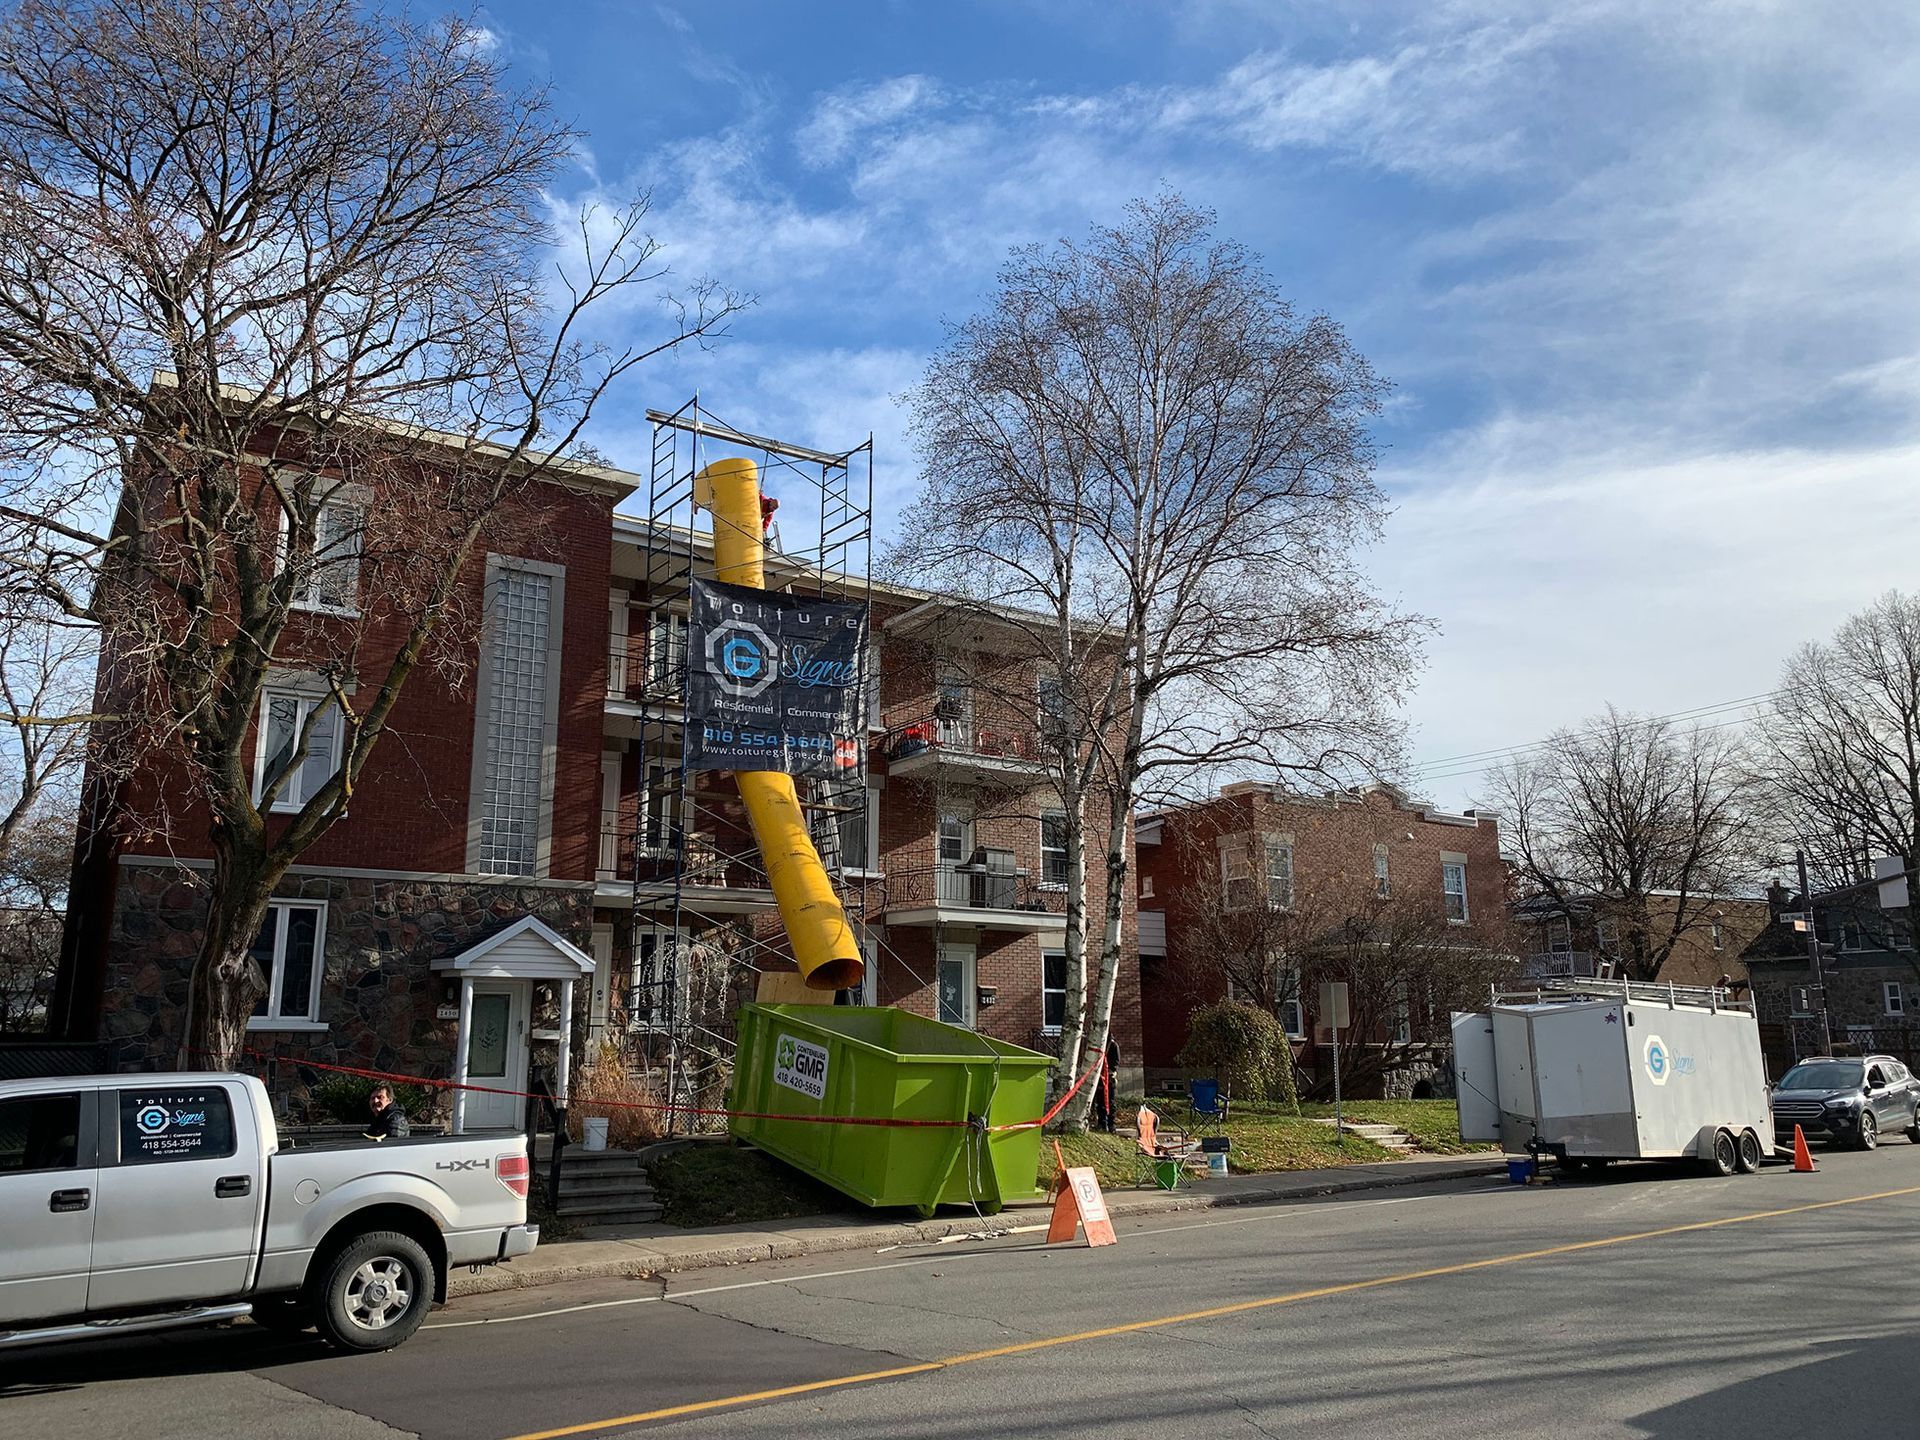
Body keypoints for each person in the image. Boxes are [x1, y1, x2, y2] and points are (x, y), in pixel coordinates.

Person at [1091, 1032, 1122, 1133]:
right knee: (1100, 1102)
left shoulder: (1113, 1046)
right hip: (1099, 1077)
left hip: (1108, 1078)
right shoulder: (1099, 1046)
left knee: (1110, 1101)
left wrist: (1110, 1072)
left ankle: (1111, 1124)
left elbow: (1116, 1062)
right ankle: (1102, 1123)